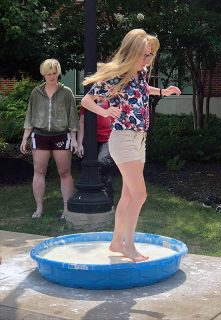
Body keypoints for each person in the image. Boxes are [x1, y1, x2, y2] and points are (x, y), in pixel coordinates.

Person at [81, 29, 181, 262]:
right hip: (123, 138)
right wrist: (105, 110)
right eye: (144, 55)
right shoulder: (115, 76)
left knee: (128, 194)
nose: (147, 60)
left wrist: (162, 92)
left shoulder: (140, 73)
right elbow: (87, 100)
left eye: (149, 55)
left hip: (139, 139)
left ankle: (116, 242)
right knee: (140, 194)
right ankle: (129, 245)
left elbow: (142, 90)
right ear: (132, 52)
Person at [20, 59, 79, 219]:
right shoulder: (36, 92)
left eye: (54, 73)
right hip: (40, 135)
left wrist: (73, 139)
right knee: (39, 171)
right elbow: (30, 115)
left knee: (65, 172)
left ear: (58, 73)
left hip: (61, 135)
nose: (52, 77)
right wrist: (25, 137)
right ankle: (39, 208)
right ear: (44, 74)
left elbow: (72, 116)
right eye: (49, 74)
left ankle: (67, 209)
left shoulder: (66, 92)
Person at [77, 100, 115, 203]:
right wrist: (80, 143)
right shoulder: (87, 100)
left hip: (108, 138)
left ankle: (107, 199)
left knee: (103, 161)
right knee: (90, 167)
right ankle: (93, 196)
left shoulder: (111, 98)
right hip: (91, 140)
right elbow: (82, 122)